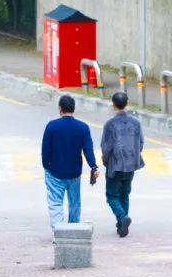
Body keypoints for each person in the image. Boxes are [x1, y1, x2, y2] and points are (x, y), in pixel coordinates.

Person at [41, 94, 98, 228]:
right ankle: (73, 228)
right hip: (74, 172)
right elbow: (88, 149)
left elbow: (46, 149)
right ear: (73, 109)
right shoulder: (83, 127)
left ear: (60, 109)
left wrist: (46, 165)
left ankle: (58, 230)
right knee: (74, 202)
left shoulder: (52, 126)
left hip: (55, 171)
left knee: (55, 202)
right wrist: (93, 166)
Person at [100, 91, 144, 238]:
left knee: (111, 195)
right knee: (125, 194)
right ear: (127, 104)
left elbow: (106, 147)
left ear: (113, 105)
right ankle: (121, 224)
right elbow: (140, 143)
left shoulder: (110, 124)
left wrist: (106, 162)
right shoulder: (136, 123)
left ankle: (122, 217)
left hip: (115, 165)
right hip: (131, 165)